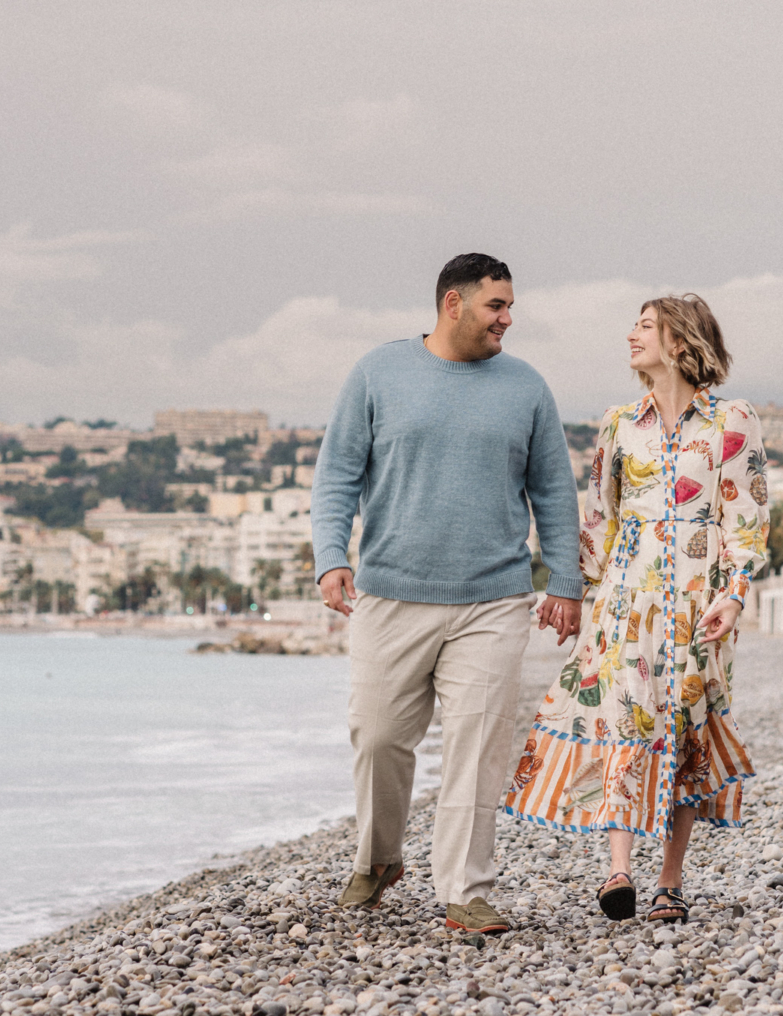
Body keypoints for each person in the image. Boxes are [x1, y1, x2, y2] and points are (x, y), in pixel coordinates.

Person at [312, 253, 584, 935]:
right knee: (376, 737)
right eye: (497, 306)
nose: (508, 319)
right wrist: (328, 559)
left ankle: (466, 889)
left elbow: (554, 491)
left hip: (494, 599)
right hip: (389, 594)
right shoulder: (379, 373)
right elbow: (337, 474)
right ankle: (377, 859)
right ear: (453, 304)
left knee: (477, 743)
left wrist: (568, 583)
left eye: (511, 306)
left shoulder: (526, 387)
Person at [504, 294, 767, 925]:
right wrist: (571, 592)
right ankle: (618, 870)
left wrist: (732, 596)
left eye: (645, 327)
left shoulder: (732, 420)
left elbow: (748, 516)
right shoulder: (620, 423)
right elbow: (600, 516)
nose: (631, 336)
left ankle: (669, 881)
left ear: (680, 341)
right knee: (625, 718)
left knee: (683, 724)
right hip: (626, 596)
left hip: (699, 601)